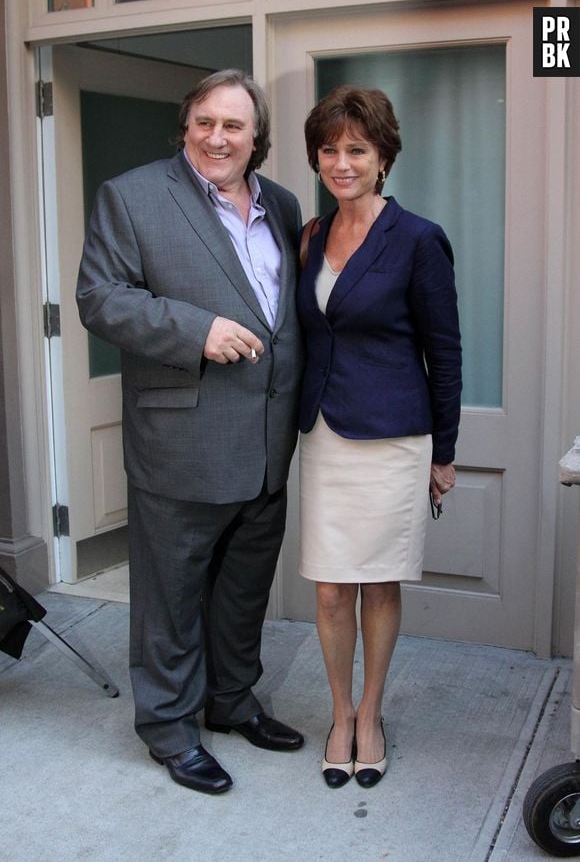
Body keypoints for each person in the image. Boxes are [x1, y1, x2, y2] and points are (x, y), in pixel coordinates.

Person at [76, 69, 305, 795]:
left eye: (233, 125)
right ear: (185, 126)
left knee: (243, 590)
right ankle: (171, 728)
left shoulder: (284, 206)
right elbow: (99, 298)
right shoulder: (134, 196)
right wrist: (195, 328)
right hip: (181, 442)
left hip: (267, 442)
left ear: (255, 138)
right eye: (205, 121)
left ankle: (232, 700)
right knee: (170, 598)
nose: (217, 137)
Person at [298, 85, 462, 789]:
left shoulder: (419, 239)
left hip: (395, 435)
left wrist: (445, 452)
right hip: (327, 435)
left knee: (379, 582)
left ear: (383, 157)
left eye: (356, 149)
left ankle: (372, 712)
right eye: (330, 149)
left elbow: (445, 350)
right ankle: (339, 714)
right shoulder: (309, 235)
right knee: (332, 589)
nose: (342, 162)